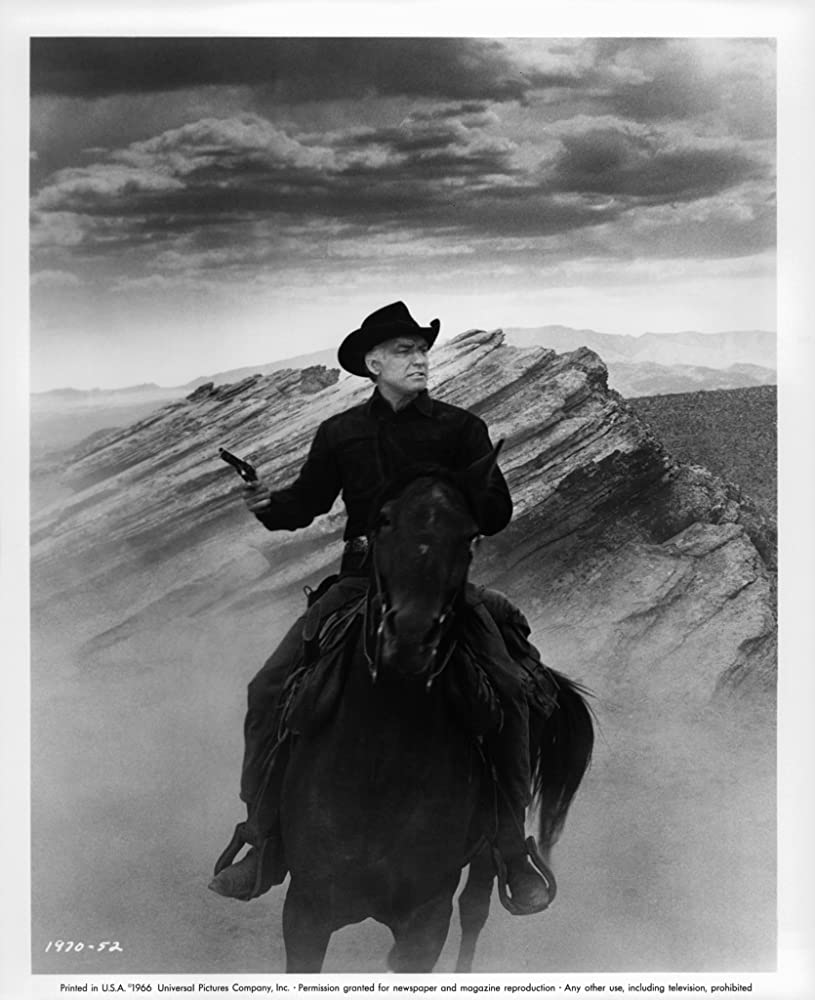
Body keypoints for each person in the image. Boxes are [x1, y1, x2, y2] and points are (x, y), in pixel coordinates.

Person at [209, 301, 553, 913]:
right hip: (359, 583)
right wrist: (267, 504)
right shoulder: (341, 432)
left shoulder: (462, 429)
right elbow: (306, 505)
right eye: (404, 350)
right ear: (372, 364)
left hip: (440, 589)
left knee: (509, 690)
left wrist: (478, 489)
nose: (419, 359)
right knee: (268, 689)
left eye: (422, 349)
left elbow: (496, 515)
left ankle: (510, 847)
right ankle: (263, 837)